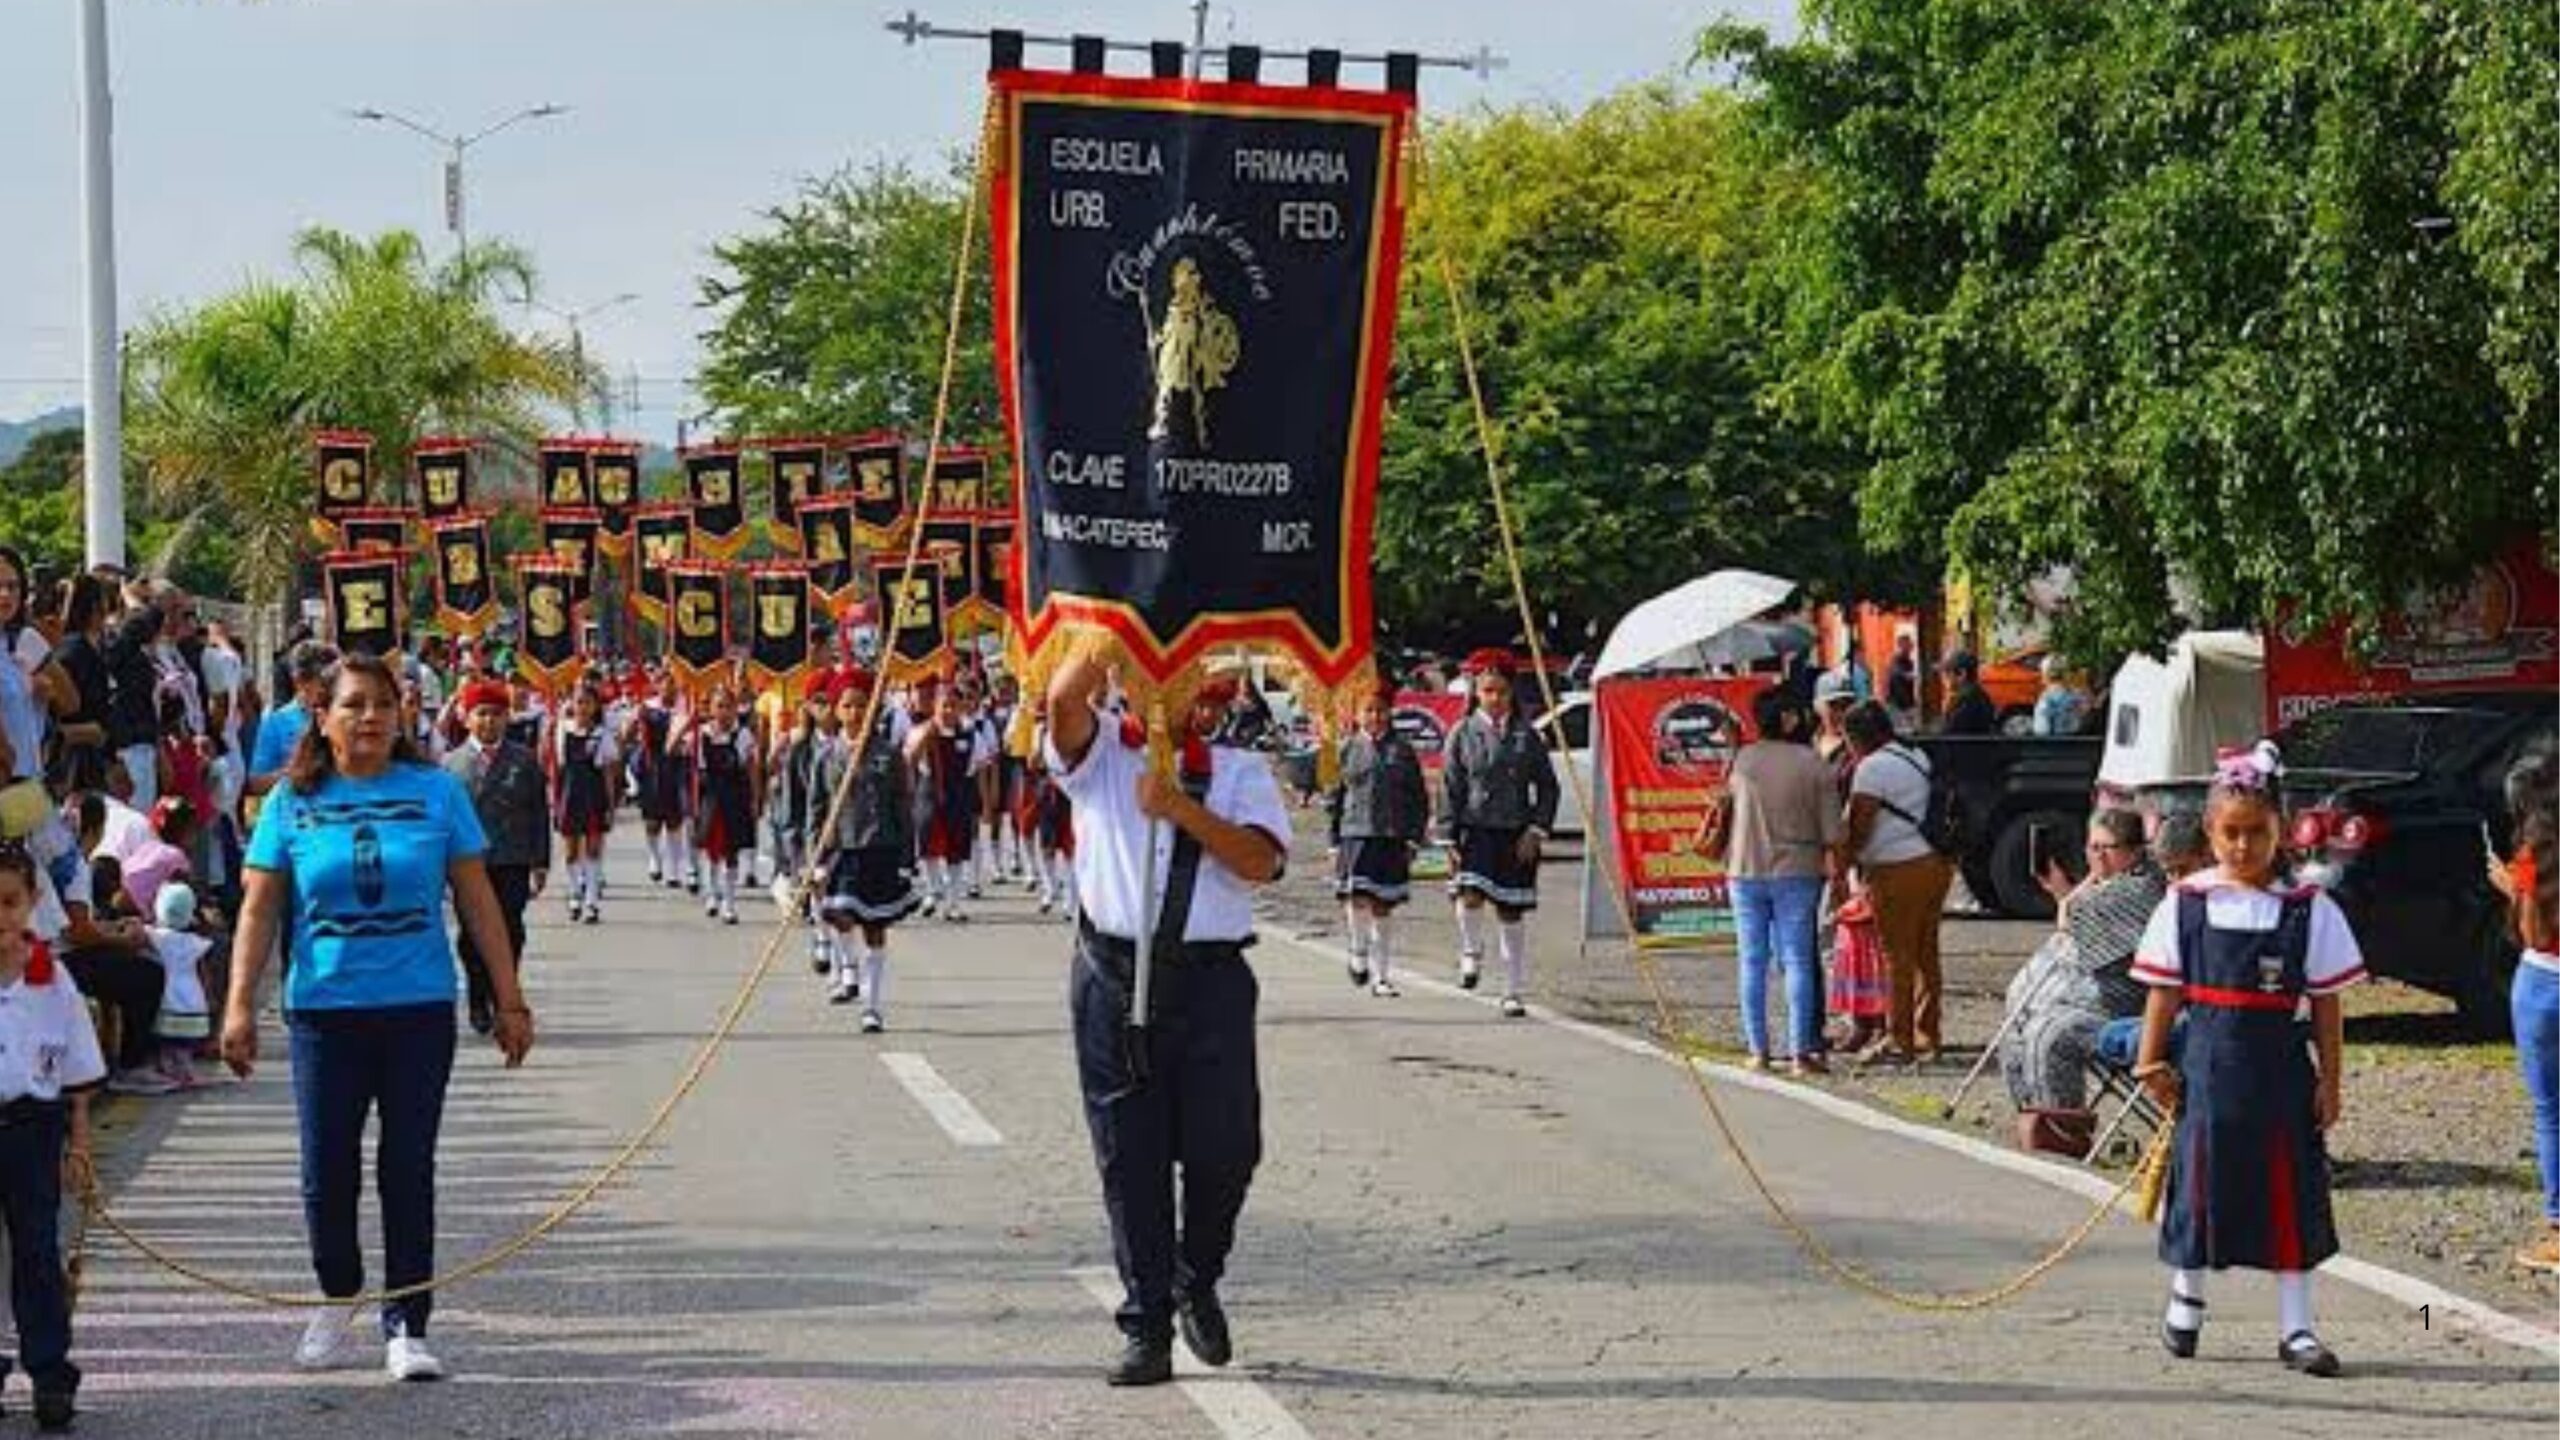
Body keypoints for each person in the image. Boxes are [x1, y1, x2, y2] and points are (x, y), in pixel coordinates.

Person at [222, 653, 536, 1382]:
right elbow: (260, 908)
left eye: (383, 706)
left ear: (404, 717)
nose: (369, 718)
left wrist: (509, 998)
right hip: (323, 1013)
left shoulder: (436, 793)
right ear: (323, 718)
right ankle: (338, 1294)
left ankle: (407, 1323)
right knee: (325, 1172)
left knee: (406, 1165)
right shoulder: (291, 804)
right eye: (354, 705)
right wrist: (238, 1007)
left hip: (418, 1008)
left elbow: (478, 901)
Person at [1045, 655, 1289, 1387]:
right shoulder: (1102, 756)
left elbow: (1259, 863)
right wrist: (1115, 603)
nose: (1192, 699)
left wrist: (1181, 808)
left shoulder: (1239, 768)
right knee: (1132, 1158)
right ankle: (1146, 1323)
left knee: (1228, 1150)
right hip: (1112, 975)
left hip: (1210, 980)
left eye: (1201, 685)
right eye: (1171, 678)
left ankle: (1195, 1276)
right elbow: (1060, 700)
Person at [2132, 742, 2363, 1377]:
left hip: (2281, 1070)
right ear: (2209, 833)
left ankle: (2297, 1326)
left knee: (2289, 1190)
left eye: (2255, 833)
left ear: (2281, 831)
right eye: (2229, 834)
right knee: (2202, 1183)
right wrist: (2150, 1060)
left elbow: (2325, 1005)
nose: (2242, 847)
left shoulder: (2306, 908)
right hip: (2206, 1065)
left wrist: (2332, 1084)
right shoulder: (2187, 901)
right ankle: (2187, 1298)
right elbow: (2163, 990)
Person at [0, 845, 106, 1432]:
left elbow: (77, 1073)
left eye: (10, 903)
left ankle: (48, 1370)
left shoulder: (50, 976)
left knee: (37, 1251)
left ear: (32, 903)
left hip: (32, 1128)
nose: (0, 918)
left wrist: (80, 1142)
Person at [1997, 808, 2166, 1129]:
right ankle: (2031, 1119)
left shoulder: (2140, 888)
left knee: (2048, 1033)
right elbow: (2075, 914)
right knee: (2018, 1023)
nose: (2097, 856)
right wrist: (2082, 884)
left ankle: (2062, 1130)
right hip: (2090, 997)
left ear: (2134, 851)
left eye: (2107, 848)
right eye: (2092, 847)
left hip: (2126, 1007)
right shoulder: (2110, 882)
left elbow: (2073, 918)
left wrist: (2069, 893)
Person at [1719, 687, 1844, 1073]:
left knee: (1751, 961)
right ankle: (1800, 1051)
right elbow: (1833, 832)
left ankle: (1758, 1050)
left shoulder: (1743, 761)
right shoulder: (1813, 764)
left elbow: (1725, 801)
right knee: (1797, 961)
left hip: (1744, 870)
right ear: (1789, 719)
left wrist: (1732, 746)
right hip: (1798, 870)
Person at [1441, 649, 1559, 1019]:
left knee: (1511, 912)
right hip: (1474, 830)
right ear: (1476, 692)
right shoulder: (1462, 732)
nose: (1495, 699)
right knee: (1470, 894)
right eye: (1488, 691)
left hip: (1515, 833)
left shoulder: (1528, 735)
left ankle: (1512, 990)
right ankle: (1471, 951)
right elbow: (1450, 786)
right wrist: (1448, 836)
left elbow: (1548, 787)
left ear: (1512, 693)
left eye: (1502, 692)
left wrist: (1536, 830)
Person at [1840, 701, 1954, 1064]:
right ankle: (1928, 1035)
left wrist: (1845, 862)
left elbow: (1860, 826)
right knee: (1925, 953)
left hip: (1896, 867)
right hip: (1935, 862)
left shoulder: (1872, 768)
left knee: (1896, 957)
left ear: (1856, 737)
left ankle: (1897, 1038)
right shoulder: (1915, 755)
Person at [807, 668, 920, 1031]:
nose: (855, 713)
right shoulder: (827, 756)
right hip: (844, 849)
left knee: (875, 926)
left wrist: (907, 858)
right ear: (836, 711)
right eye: (848, 706)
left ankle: (872, 1004)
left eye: (862, 705)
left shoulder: (889, 755)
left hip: (882, 849)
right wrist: (814, 858)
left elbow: (903, 807)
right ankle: (846, 968)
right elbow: (817, 809)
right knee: (839, 912)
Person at [445, 679, 550, 1037]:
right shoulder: (450, 765)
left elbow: (538, 812)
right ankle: (477, 995)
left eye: (496, 714)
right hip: (468, 863)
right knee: (471, 935)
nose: (489, 721)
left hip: (512, 858)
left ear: (508, 718)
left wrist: (541, 860)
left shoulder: (524, 759)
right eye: (482, 714)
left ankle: (502, 990)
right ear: (467, 718)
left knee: (510, 928)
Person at [2490, 744, 2559, 1274]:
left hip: (2545, 983)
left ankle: (2559, 1228)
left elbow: (2535, 934)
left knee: (2551, 1111)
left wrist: (2512, 886)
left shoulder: (2535, 853)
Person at [1331, 687, 1429, 999]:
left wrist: (1413, 838)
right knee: (1356, 897)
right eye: (1368, 711)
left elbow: (1418, 798)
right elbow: (1335, 797)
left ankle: (1383, 975)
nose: (1375, 717)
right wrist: (1334, 841)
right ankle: (1358, 952)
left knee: (1382, 905)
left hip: (1391, 835)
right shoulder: (1346, 748)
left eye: (1380, 711)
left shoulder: (1402, 750)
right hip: (1355, 833)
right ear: (1358, 715)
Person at [909, 679, 989, 922]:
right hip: (928, 794)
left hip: (958, 796)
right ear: (934, 706)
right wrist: (927, 735)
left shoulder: (972, 735)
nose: (948, 711)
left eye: (953, 706)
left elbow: (980, 768)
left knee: (956, 850)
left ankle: (954, 902)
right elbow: (910, 759)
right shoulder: (920, 731)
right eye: (943, 705)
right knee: (928, 847)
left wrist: (985, 803)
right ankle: (933, 890)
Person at [680, 683, 758, 925]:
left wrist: (755, 799)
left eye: (729, 706)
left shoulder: (743, 734)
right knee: (713, 851)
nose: (724, 711)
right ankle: (712, 893)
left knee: (731, 851)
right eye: (719, 706)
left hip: (735, 796)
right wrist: (688, 723)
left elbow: (752, 769)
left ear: (736, 709)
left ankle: (730, 902)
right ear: (711, 708)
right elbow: (672, 748)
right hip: (709, 797)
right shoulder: (700, 733)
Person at [547, 681, 619, 925]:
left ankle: (591, 900)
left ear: (596, 706)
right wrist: (553, 798)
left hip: (594, 795)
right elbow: (555, 767)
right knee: (570, 851)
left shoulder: (602, 735)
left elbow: (609, 774)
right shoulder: (561, 730)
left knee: (593, 848)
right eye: (578, 702)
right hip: (569, 794)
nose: (583, 707)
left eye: (588, 702)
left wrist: (610, 806)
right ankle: (574, 891)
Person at [626, 667, 692, 890]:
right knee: (652, 821)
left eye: (673, 683)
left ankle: (674, 869)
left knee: (675, 820)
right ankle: (655, 858)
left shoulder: (685, 707)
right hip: (651, 765)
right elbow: (627, 735)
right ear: (657, 686)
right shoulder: (647, 707)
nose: (669, 688)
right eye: (664, 683)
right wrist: (634, 721)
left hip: (676, 766)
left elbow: (689, 739)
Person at [249, 641, 339, 798]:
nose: (334, 688)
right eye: (324, 683)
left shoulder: (341, 716)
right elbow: (256, 784)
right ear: (300, 682)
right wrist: (299, 772)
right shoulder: (276, 722)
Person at [1938, 651, 1999, 736]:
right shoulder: (1977, 693)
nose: (1942, 680)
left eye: (1946, 674)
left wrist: (1946, 711)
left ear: (1961, 674)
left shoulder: (1966, 700)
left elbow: (1949, 736)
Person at [2031, 655, 2087, 737]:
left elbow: (2041, 729)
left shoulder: (2046, 698)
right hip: (2073, 742)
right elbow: (2082, 718)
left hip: (2053, 745)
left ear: (2046, 675)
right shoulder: (2076, 695)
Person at [1883, 634, 1920, 732]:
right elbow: (1896, 674)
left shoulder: (1909, 662)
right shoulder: (1894, 661)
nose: (1910, 648)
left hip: (1908, 702)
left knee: (1911, 729)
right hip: (1896, 703)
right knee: (1901, 730)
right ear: (1900, 646)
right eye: (1907, 645)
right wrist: (1907, 675)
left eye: (1911, 645)